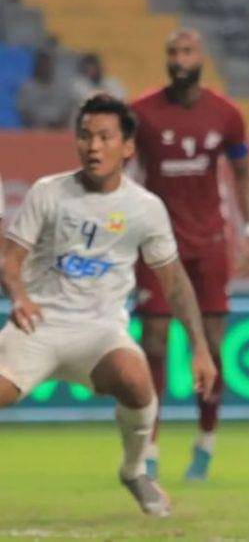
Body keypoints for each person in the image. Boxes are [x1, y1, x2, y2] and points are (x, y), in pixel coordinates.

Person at [0, 94, 217, 517]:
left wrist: (200, 348)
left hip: (100, 333)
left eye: (104, 137)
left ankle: (135, 471)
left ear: (128, 146)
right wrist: (20, 295)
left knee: (136, 379)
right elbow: (10, 261)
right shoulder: (48, 193)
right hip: (38, 326)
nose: (93, 147)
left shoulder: (145, 208)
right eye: (84, 136)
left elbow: (175, 283)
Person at [131, 29, 249, 482]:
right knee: (154, 343)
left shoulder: (226, 115)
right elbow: (122, 174)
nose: (179, 59)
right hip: (156, 246)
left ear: (201, 58)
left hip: (208, 246)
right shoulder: (141, 113)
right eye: (172, 53)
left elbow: (243, 175)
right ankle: (147, 448)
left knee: (211, 345)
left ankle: (205, 443)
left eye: (186, 52)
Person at [16, 49, 77, 129]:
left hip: (58, 131)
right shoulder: (26, 88)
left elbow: (67, 111)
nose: (44, 67)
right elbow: (23, 113)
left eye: (47, 63)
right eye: (41, 63)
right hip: (34, 132)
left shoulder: (62, 88)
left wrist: (58, 126)